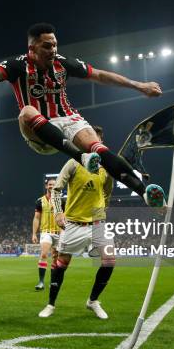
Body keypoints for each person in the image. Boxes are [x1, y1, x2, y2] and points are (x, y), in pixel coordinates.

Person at [0, 22, 164, 207]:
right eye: (47, 46)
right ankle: (79, 157)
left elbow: (99, 75)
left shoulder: (62, 63)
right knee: (26, 111)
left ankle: (145, 193)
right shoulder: (18, 66)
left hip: (68, 119)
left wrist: (139, 85)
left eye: (55, 45)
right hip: (39, 131)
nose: (53, 50)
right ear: (32, 48)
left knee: (98, 147)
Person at [38, 126, 115, 319]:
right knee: (62, 263)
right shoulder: (74, 162)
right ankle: (51, 304)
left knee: (110, 260)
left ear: (100, 142)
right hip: (74, 224)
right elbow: (56, 189)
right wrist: (58, 213)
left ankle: (93, 301)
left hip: (97, 223)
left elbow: (107, 192)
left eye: (92, 138)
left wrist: (102, 209)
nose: (86, 140)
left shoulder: (106, 168)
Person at [32, 178, 63, 290]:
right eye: (50, 184)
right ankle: (41, 282)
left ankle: (53, 282)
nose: (51, 186)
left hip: (59, 233)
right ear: (46, 186)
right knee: (44, 254)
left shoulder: (62, 200)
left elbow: (65, 217)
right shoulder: (40, 201)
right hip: (46, 232)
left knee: (56, 258)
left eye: (54, 185)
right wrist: (34, 234)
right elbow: (36, 218)